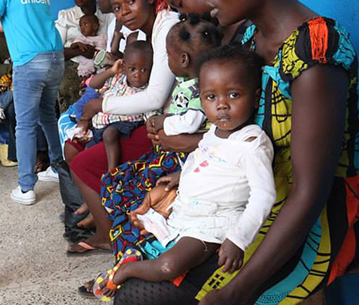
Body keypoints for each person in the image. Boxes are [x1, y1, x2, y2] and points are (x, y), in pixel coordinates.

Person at [115, 0, 359, 305]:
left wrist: (238, 290)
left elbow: (310, 193)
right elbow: (239, 138)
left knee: (142, 296)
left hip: (312, 223)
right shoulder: (249, 39)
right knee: (141, 253)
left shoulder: (315, 54)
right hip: (247, 201)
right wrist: (194, 177)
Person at [93, 45, 275, 300]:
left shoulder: (251, 144)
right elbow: (204, 158)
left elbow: (264, 196)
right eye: (211, 97)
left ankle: (127, 270)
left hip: (212, 223)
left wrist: (238, 239)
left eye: (233, 95)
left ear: (255, 98)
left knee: (169, 266)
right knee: (137, 216)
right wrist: (181, 177)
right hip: (187, 211)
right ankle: (137, 257)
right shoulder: (215, 132)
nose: (222, 105)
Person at [67, 0, 178, 255]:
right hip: (154, 121)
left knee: (83, 163)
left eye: (131, 1)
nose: (124, 11)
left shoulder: (166, 27)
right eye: (117, 7)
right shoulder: (149, 30)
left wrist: (101, 104)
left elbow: (155, 97)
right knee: (76, 147)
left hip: (167, 127)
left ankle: (107, 233)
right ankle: (104, 218)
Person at [0, 0, 64, 206]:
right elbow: (25, 20)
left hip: (29, 61)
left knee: (25, 124)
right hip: (55, 56)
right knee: (48, 115)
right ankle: (58, 167)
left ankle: (26, 187)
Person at [74, 41, 155, 171]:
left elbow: (149, 114)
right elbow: (93, 84)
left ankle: (112, 171)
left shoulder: (148, 90)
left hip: (124, 123)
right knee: (87, 153)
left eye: (144, 69)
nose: (138, 74)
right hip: (100, 123)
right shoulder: (118, 78)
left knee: (109, 134)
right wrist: (111, 71)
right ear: (124, 66)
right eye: (132, 69)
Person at [57, 0, 114, 111]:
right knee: (67, 87)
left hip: (101, 63)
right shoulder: (66, 16)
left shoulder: (106, 15)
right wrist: (81, 51)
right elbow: (56, 50)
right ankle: (71, 119)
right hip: (73, 64)